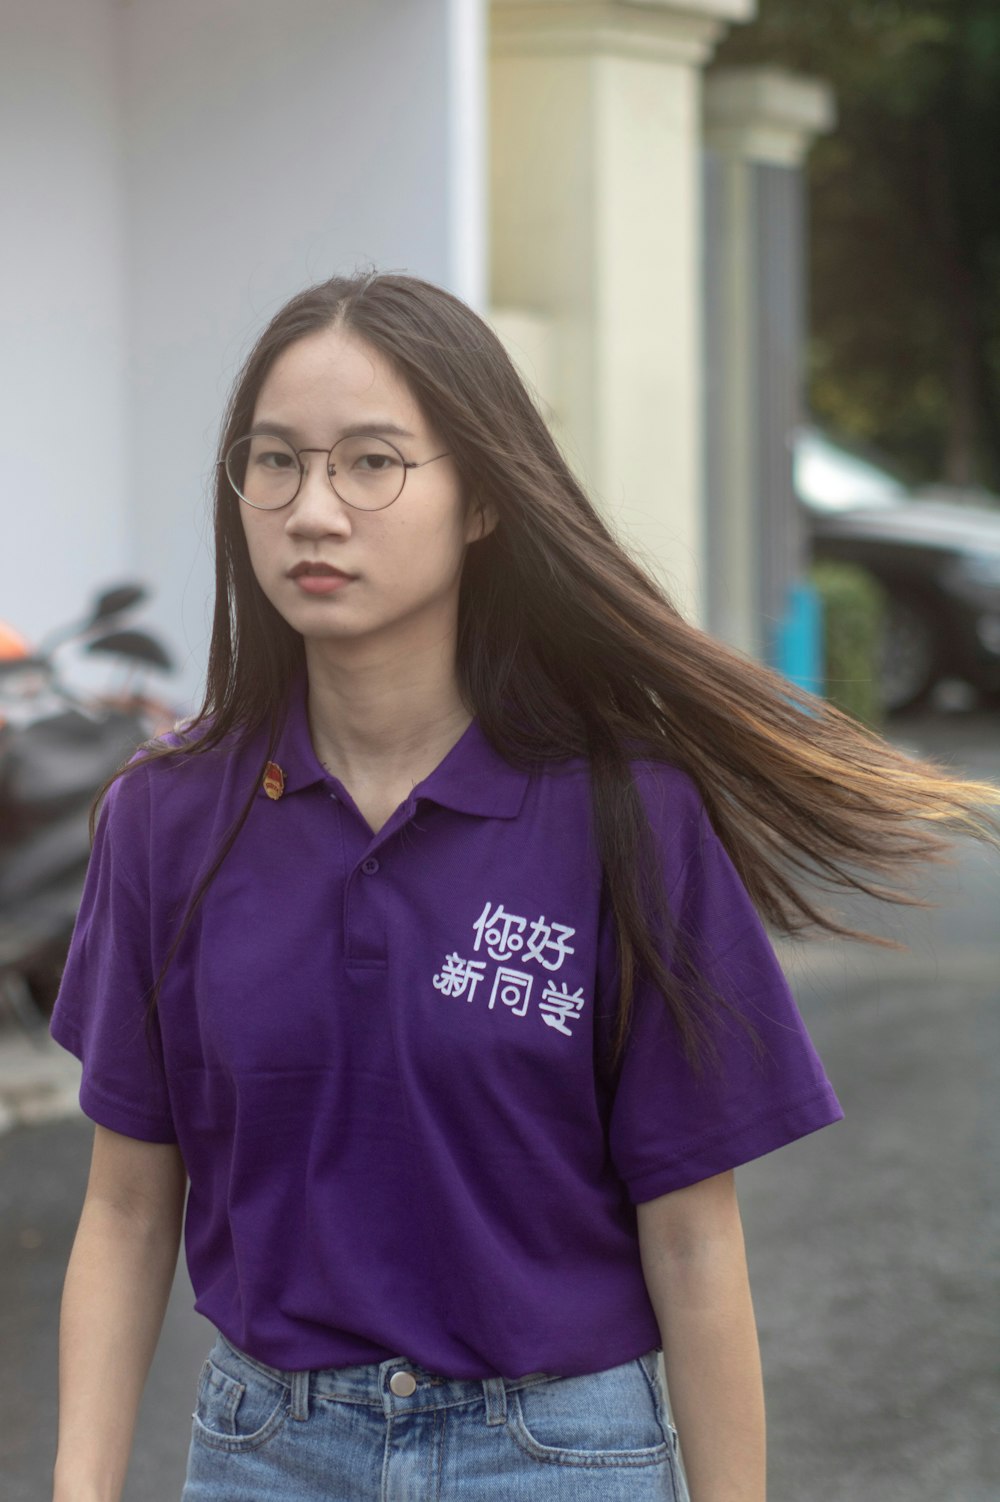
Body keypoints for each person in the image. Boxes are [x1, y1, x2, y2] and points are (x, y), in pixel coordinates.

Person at [49, 272, 1000, 1502]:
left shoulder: (622, 810)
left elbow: (694, 1236)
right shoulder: (166, 818)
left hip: (558, 1454)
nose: (312, 509)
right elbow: (126, 1212)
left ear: (483, 499)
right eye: (273, 462)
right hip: (266, 1456)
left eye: (373, 462)